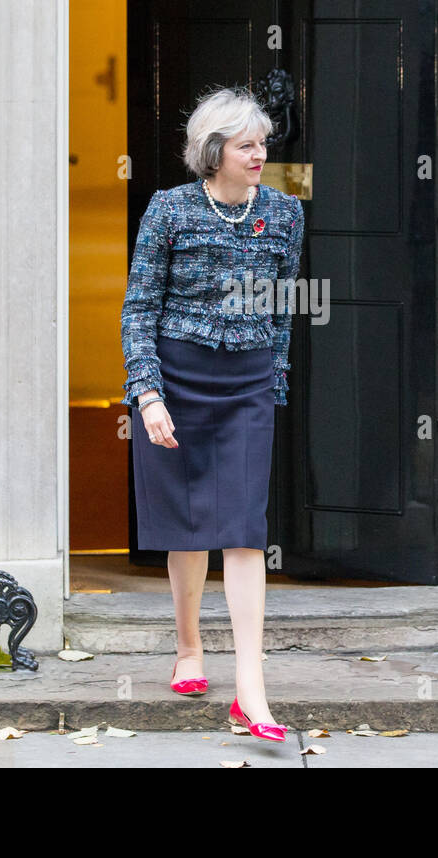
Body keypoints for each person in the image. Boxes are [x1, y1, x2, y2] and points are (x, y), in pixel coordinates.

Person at [120, 85, 305, 743]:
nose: (261, 154)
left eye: (263, 143)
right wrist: (147, 394)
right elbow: (139, 307)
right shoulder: (168, 210)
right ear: (215, 149)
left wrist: (272, 386)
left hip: (247, 385)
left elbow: (283, 309)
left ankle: (251, 689)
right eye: (248, 144)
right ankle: (190, 647)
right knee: (187, 523)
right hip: (177, 380)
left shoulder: (284, 214)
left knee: (244, 529)